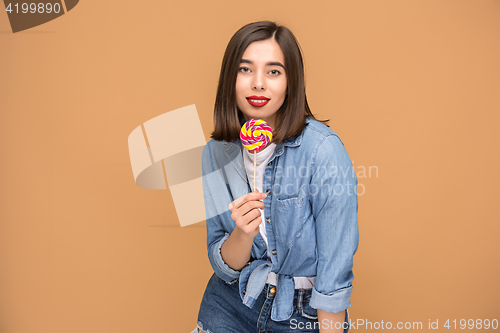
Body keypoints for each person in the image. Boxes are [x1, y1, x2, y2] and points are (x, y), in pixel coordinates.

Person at [192, 21, 359, 333]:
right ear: (231, 79)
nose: (258, 83)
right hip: (230, 303)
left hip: (302, 314)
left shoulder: (323, 150)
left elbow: (336, 266)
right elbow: (222, 263)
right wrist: (242, 232)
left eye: (273, 71)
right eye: (245, 69)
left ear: (290, 83)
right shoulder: (215, 153)